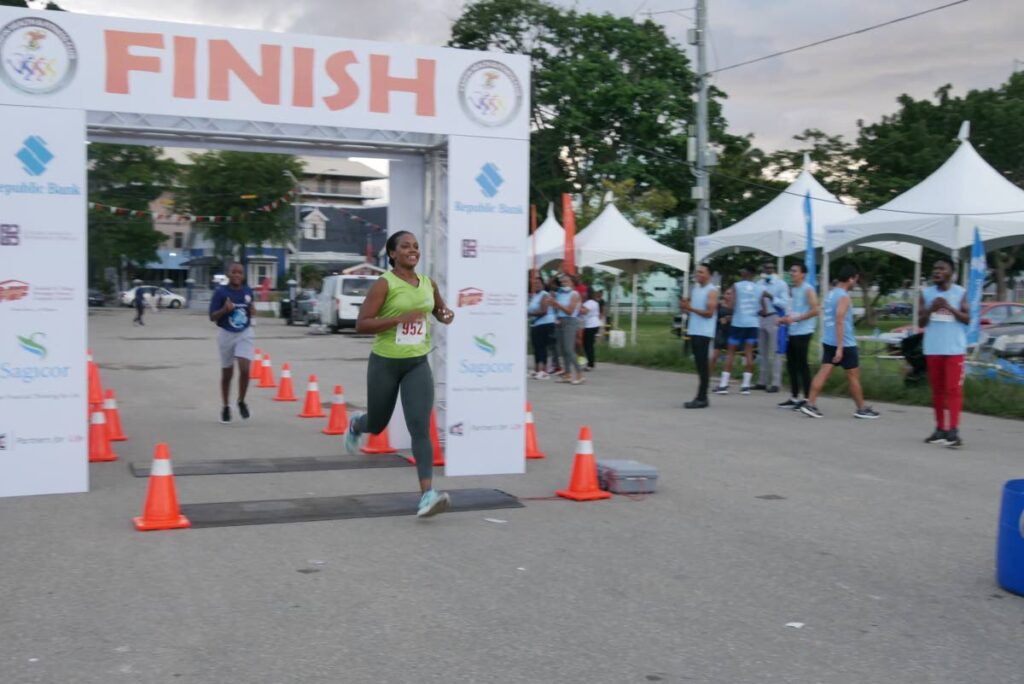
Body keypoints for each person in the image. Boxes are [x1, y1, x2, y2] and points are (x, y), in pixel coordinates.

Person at [345, 231, 455, 518]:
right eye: (405, 246)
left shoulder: (429, 284)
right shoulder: (385, 283)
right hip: (385, 363)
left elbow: (440, 312)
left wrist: (446, 315)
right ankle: (358, 424)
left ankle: (427, 494)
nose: (413, 250)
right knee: (378, 424)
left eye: (416, 246)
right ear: (392, 253)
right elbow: (362, 324)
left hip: (417, 363)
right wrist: (398, 319)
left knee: (420, 426)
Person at [800, 264, 880, 419]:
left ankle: (810, 403)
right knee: (853, 376)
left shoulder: (830, 294)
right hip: (844, 343)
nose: (856, 283)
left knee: (823, 372)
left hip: (828, 340)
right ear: (850, 279)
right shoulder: (843, 296)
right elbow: (839, 320)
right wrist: (840, 348)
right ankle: (861, 409)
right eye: (855, 279)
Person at [919, 257, 969, 448]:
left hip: (954, 349)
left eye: (942, 269)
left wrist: (949, 308)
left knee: (953, 390)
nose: (937, 272)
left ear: (951, 273)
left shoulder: (960, 293)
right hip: (933, 348)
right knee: (937, 390)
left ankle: (953, 431)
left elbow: (967, 319)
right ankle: (940, 428)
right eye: (935, 269)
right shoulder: (926, 293)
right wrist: (932, 309)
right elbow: (921, 323)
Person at [208, 263, 255, 423]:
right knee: (227, 374)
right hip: (226, 334)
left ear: (243, 275)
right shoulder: (221, 293)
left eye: (240, 272)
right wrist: (224, 310)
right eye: (233, 272)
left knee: (245, 369)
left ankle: (241, 401)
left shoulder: (248, 292)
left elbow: (250, 311)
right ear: (228, 273)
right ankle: (226, 406)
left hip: (244, 333)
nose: (236, 275)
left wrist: (252, 312)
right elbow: (212, 317)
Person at [715, 265, 765, 395]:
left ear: (746, 273)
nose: (741, 272)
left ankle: (724, 385)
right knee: (748, 352)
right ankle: (745, 386)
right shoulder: (759, 288)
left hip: (738, 323)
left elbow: (731, 306)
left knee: (730, 352)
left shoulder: (736, 286)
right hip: (753, 324)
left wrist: (730, 310)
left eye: (742, 270)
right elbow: (763, 310)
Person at [779, 263, 819, 409]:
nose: (792, 273)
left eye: (795, 271)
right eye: (791, 271)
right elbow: (792, 311)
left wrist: (797, 318)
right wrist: (783, 320)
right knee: (791, 365)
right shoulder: (793, 290)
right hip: (793, 331)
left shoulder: (808, 289)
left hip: (804, 331)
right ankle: (794, 397)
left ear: (803, 274)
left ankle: (808, 399)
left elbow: (815, 310)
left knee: (802, 365)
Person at [680, 264, 719, 408]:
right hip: (694, 330)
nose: (698, 274)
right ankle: (701, 396)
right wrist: (685, 307)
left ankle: (702, 397)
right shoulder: (696, 289)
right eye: (697, 272)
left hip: (704, 332)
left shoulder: (712, 291)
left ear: (709, 275)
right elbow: (691, 311)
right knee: (699, 365)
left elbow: (709, 313)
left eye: (702, 272)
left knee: (703, 366)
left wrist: (690, 308)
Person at [756, 261, 788, 393]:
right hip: (761, 318)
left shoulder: (781, 284)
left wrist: (771, 296)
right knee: (762, 351)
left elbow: (785, 303)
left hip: (774, 316)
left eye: (770, 267)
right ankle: (762, 381)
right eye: (766, 267)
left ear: (774, 269)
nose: (768, 270)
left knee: (775, 351)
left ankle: (775, 382)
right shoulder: (759, 283)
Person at [552, 273, 584, 384]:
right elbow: (558, 309)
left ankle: (580, 374)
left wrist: (557, 304)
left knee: (569, 350)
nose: (563, 283)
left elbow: (570, 311)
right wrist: (554, 305)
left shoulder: (574, 294)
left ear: (572, 283)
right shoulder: (560, 294)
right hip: (560, 321)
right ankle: (567, 375)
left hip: (570, 322)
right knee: (563, 350)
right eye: (562, 282)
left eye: (566, 281)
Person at [528, 274, 555, 379]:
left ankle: (543, 371)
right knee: (536, 347)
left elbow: (544, 311)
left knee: (541, 347)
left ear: (543, 284)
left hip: (544, 324)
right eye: (534, 284)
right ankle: (536, 370)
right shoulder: (535, 296)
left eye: (538, 283)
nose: (536, 285)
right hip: (536, 324)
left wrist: (530, 315)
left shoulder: (544, 294)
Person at [710, 287, 733, 370]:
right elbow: (712, 317)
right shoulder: (719, 305)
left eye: (731, 294)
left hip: (731, 332)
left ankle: (725, 378)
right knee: (715, 356)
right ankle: (708, 376)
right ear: (724, 295)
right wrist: (720, 320)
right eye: (727, 293)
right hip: (720, 332)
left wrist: (730, 318)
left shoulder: (735, 307)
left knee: (729, 357)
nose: (729, 296)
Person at [581, 287, 602, 370]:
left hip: (590, 325)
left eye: (585, 292)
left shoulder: (589, 302)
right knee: (588, 345)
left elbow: (584, 311)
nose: (583, 294)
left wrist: (577, 306)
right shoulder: (594, 302)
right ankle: (590, 362)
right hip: (593, 324)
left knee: (587, 345)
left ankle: (590, 364)